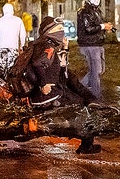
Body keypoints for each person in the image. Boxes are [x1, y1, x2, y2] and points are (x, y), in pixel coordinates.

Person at [26, 16, 104, 154]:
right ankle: (87, 145)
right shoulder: (47, 46)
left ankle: (88, 139)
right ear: (49, 31)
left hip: (55, 89)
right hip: (50, 94)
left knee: (80, 94)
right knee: (80, 106)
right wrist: (43, 84)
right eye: (59, 29)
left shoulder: (46, 44)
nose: (62, 31)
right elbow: (38, 63)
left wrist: (64, 50)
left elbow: (58, 66)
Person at [77, 0, 114, 100]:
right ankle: (96, 97)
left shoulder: (96, 10)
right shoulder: (85, 11)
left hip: (97, 44)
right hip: (89, 45)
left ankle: (78, 88)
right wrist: (103, 26)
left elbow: (97, 25)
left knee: (98, 70)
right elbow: (88, 29)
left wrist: (106, 28)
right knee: (95, 73)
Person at [0, 3, 27, 77]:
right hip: (13, 47)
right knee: (12, 68)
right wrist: (22, 45)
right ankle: (11, 84)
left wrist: (0, 43)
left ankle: (4, 83)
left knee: (3, 68)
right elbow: (22, 34)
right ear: (12, 10)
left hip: (2, 47)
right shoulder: (18, 20)